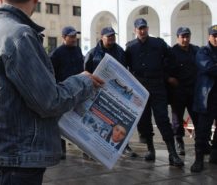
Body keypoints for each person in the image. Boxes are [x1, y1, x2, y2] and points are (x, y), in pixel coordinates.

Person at [0, 0, 103, 185]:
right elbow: (49, 101)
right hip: (17, 159)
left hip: (3, 153)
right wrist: (82, 82)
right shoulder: (20, 36)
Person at [125, 18, 184, 167]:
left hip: (157, 85)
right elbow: (125, 66)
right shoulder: (130, 47)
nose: (142, 31)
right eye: (139, 28)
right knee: (144, 121)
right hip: (140, 88)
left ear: (148, 28)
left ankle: (173, 153)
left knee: (162, 119)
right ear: (135, 30)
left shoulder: (158, 43)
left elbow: (171, 58)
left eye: (144, 28)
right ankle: (151, 150)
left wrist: (166, 75)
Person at [84, 26, 138, 157]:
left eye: (113, 36)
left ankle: (124, 146)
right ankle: (88, 148)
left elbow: (125, 70)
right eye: (109, 36)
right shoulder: (92, 53)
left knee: (120, 119)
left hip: (116, 92)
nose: (111, 38)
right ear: (101, 37)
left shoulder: (120, 51)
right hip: (98, 91)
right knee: (96, 119)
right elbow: (86, 73)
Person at [49, 25, 83, 159]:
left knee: (79, 119)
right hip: (63, 90)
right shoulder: (56, 54)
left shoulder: (78, 50)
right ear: (64, 37)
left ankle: (84, 148)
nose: (74, 39)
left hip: (79, 90)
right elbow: (52, 73)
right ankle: (61, 148)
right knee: (61, 120)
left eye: (75, 36)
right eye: (71, 36)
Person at [168, 27, 199, 156]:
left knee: (197, 117)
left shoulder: (195, 50)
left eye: (187, 36)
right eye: (183, 37)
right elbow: (165, 69)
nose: (185, 39)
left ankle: (200, 142)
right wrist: (169, 78)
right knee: (177, 120)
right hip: (178, 91)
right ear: (178, 37)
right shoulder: (172, 52)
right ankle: (179, 141)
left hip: (193, 90)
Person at [190, 25, 217, 172]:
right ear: (209, 37)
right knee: (202, 132)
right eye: (215, 35)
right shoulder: (202, 52)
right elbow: (209, 68)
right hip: (207, 98)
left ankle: (214, 155)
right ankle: (198, 160)